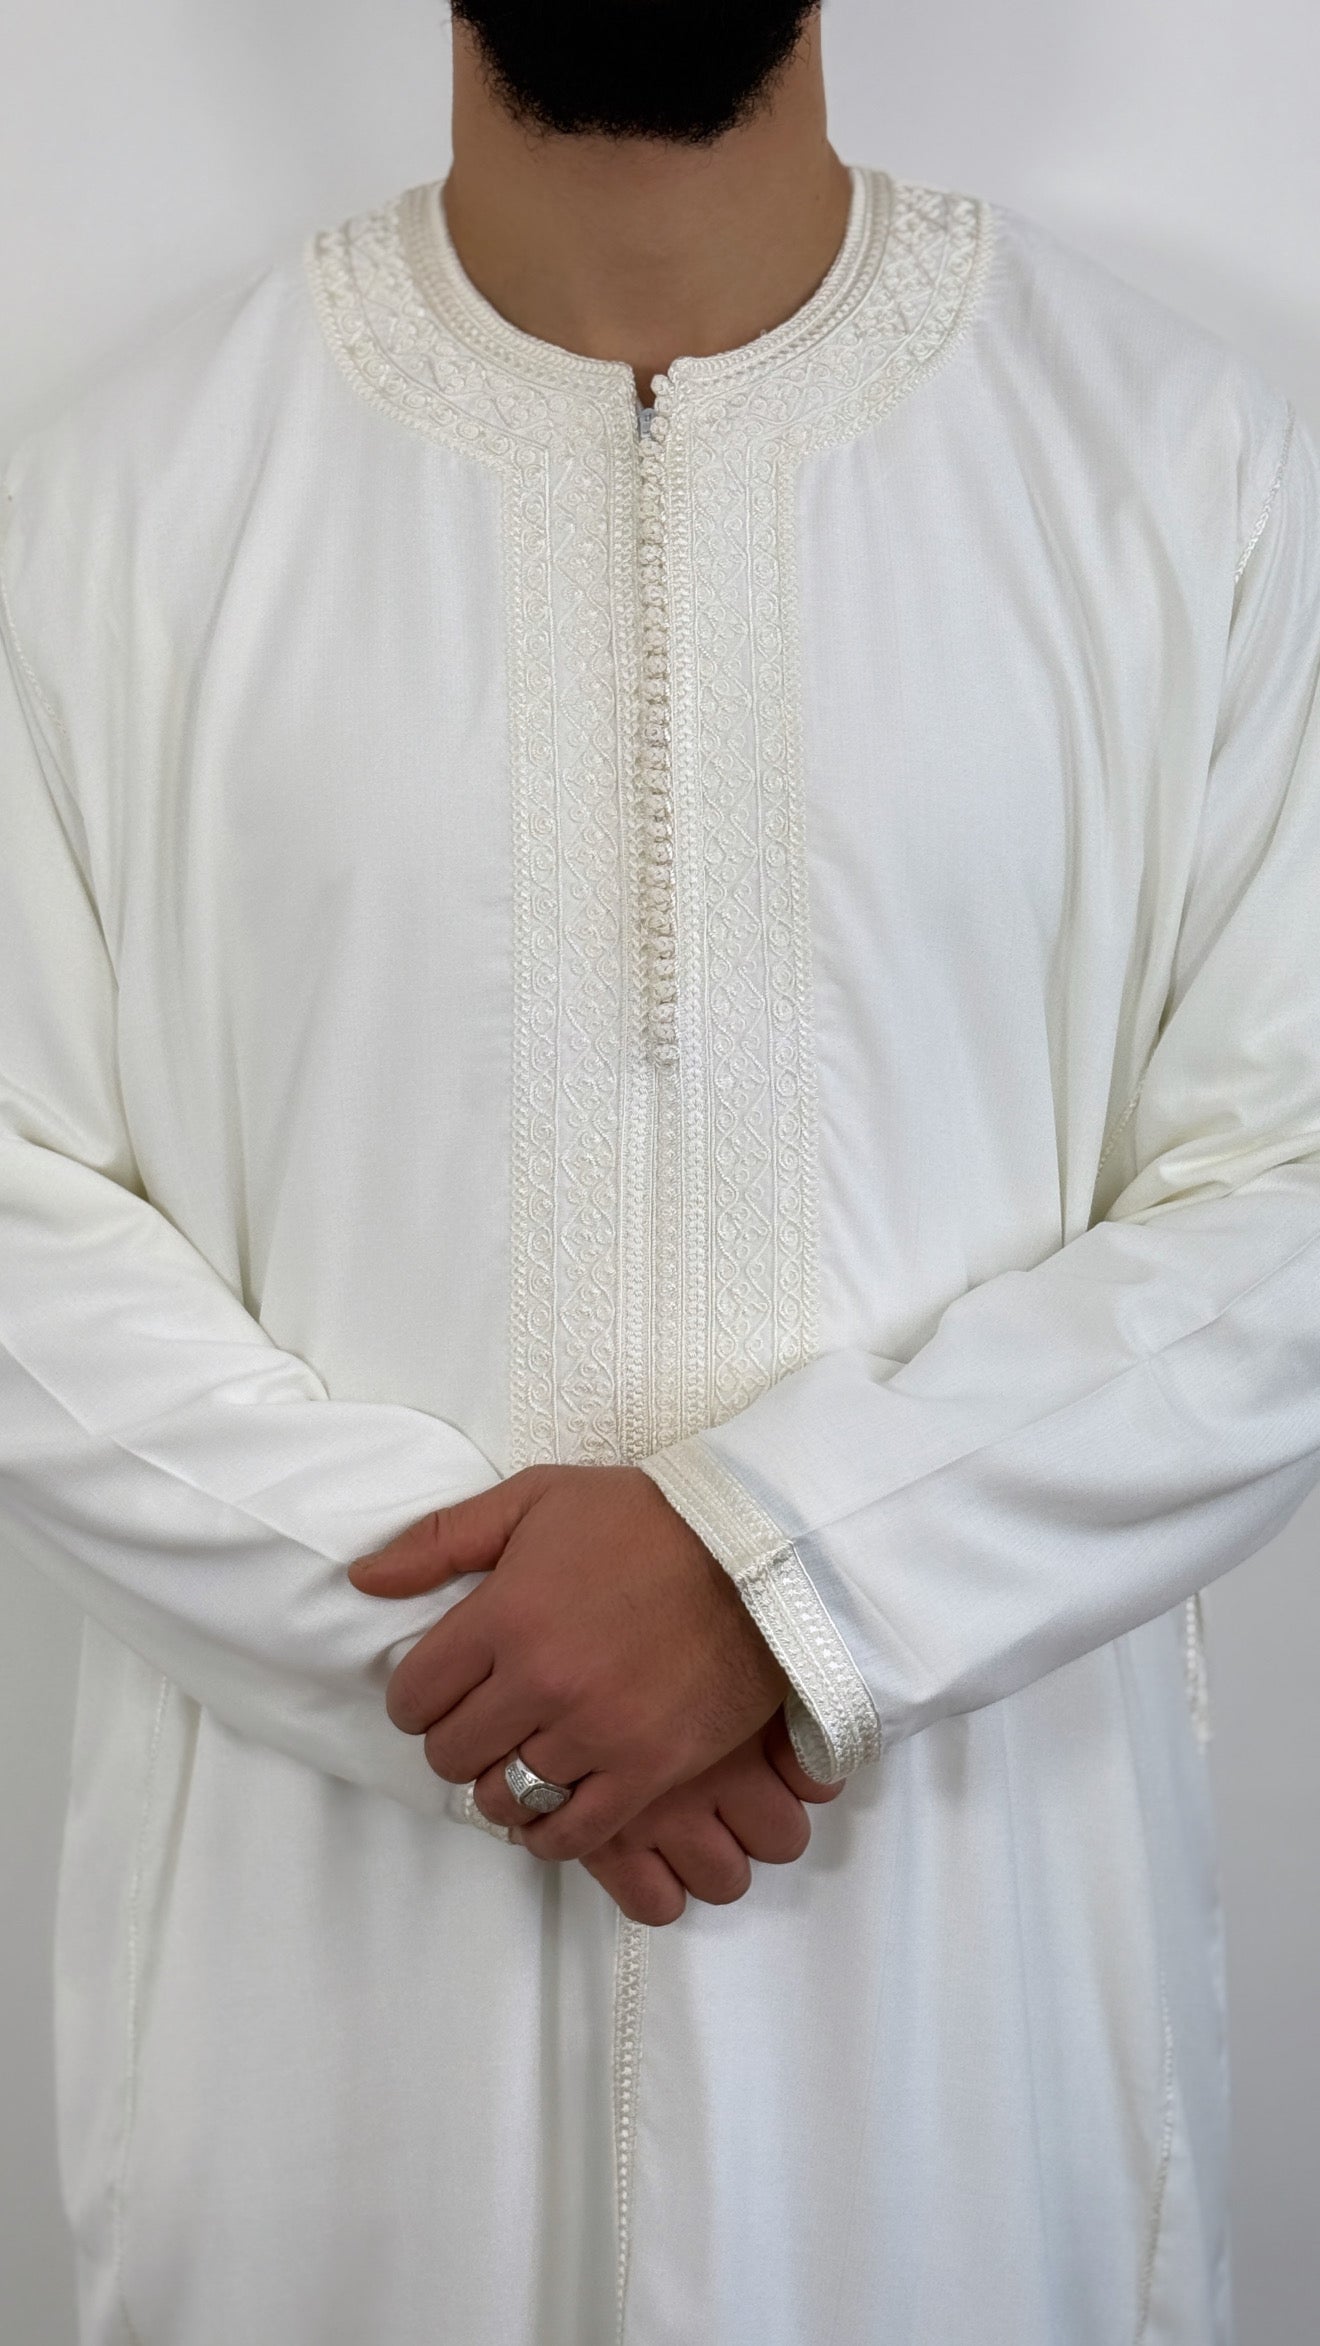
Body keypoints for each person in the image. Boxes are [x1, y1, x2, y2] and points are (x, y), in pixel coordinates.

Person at [2, 2, 1317, 2339]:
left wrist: (787, 1576)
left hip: (971, 2065)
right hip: (322, 2095)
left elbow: (1289, 1183)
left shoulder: (1182, 469)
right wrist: (489, 1654)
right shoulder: (124, 503)